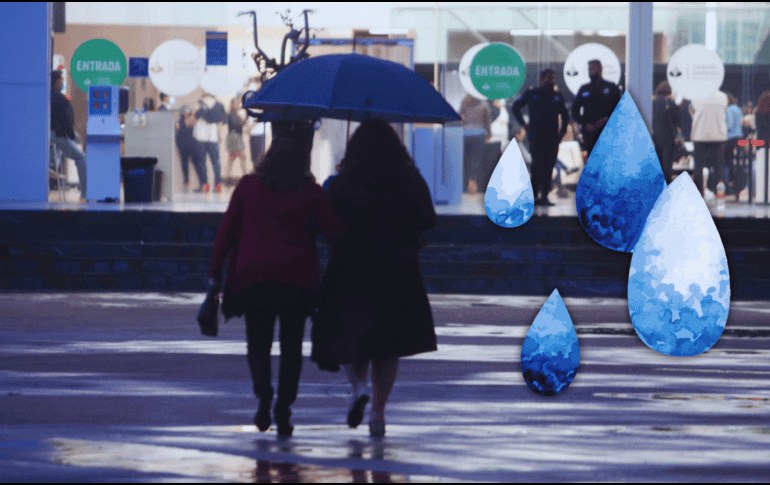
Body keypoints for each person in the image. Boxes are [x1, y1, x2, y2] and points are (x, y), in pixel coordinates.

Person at [208, 134, 345, 438]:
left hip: (253, 276)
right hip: (298, 279)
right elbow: (335, 231)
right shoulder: (310, 191)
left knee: (258, 343)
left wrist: (215, 272)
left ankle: (263, 392)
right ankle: (284, 407)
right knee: (291, 347)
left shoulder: (248, 187)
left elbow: (227, 231)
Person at [312, 119, 437, 437]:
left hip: (351, 268)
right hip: (398, 269)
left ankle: (359, 389)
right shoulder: (408, 179)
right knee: (388, 344)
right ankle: (378, 414)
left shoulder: (343, 183)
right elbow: (428, 219)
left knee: (353, 338)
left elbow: (326, 222)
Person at [511, 69, 569, 206]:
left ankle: (544, 197)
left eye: (553, 78)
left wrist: (562, 132)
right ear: (542, 79)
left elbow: (565, 115)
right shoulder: (532, 93)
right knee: (537, 166)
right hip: (536, 135)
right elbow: (515, 107)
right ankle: (533, 196)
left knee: (549, 166)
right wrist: (524, 124)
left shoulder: (558, 96)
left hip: (552, 136)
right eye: (548, 78)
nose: (551, 81)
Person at [570, 59, 621, 157]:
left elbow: (618, 109)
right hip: (589, 132)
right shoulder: (584, 89)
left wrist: (605, 120)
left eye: (593, 68)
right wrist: (585, 123)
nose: (590, 71)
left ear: (600, 69)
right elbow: (574, 110)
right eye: (589, 69)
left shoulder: (611, 87)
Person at [50, 70, 87, 201]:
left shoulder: (48, 95)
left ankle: (53, 163)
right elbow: (66, 120)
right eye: (61, 79)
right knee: (82, 158)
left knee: (58, 149)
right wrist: (70, 135)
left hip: (51, 136)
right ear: (57, 81)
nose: (63, 81)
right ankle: (85, 194)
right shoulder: (59, 98)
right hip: (59, 135)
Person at [690, 90, 728, 197]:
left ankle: (698, 194)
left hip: (699, 135)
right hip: (718, 135)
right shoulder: (723, 96)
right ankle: (721, 194)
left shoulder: (696, 95)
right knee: (719, 168)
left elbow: (692, 111)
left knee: (698, 168)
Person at [459, 95, 492, 195]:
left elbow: (460, 117)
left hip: (465, 134)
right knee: (475, 160)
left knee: (465, 160)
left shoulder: (464, 102)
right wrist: (489, 135)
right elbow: (488, 121)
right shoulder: (484, 104)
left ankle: (464, 185)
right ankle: (472, 184)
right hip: (479, 134)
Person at [194, 94, 226, 193]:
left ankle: (205, 187)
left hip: (200, 136)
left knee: (202, 162)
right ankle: (218, 186)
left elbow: (194, 117)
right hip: (213, 137)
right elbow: (222, 121)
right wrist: (219, 135)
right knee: (216, 162)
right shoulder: (218, 105)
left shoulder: (200, 103)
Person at [652, 81, 681, 185]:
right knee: (668, 164)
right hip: (669, 137)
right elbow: (678, 120)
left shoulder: (653, 103)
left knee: (657, 162)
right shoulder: (672, 103)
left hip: (655, 137)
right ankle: (667, 185)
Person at [175, 106, 206, 192]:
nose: (186, 113)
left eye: (188, 111)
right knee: (184, 165)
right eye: (184, 111)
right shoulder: (179, 122)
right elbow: (177, 135)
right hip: (183, 147)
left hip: (193, 147)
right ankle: (186, 184)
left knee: (198, 165)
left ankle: (203, 184)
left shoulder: (194, 121)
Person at [226, 98, 248, 185]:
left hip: (234, 138)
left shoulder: (234, 114)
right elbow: (238, 124)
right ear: (232, 105)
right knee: (242, 157)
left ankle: (228, 179)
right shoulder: (231, 114)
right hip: (235, 138)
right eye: (236, 104)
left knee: (232, 158)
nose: (238, 105)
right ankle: (245, 178)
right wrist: (245, 119)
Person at [724, 94, 744, 195]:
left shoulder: (729, 109)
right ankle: (737, 184)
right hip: (738, 137)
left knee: (727, 161)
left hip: (730, 137)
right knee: (736, 161)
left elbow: (729, 124)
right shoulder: (738, 109)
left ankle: (730, 182)